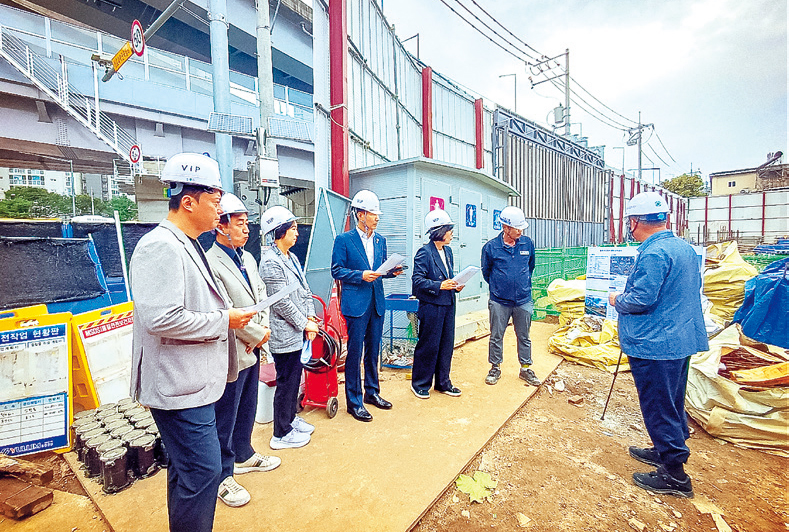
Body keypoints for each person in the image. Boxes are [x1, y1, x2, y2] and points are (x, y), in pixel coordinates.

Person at [130, 153, 256, 532]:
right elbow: (160, 318)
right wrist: (225, 321)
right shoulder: (161, 246)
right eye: (215, 201)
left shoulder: (187, 243)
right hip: (177, 384)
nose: (220, 210)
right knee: (204, 470)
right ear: (189, 201)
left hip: (193, 381)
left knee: (188, 470)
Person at [609, 191, 708, 499]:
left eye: (630, 221)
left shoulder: (653, 254)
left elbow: (641, 299)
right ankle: (664, 450)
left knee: (658, 406)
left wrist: (617, 300)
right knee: (672, 402)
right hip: (678, 340)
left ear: (635, 222)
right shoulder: (683, 248)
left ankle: (675, 475)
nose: (629, 226)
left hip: (656, 345)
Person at [206, 193, 281, 508]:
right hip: (232, 352)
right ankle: (223, 477)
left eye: (247, 223)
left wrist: (261, 332)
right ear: (221, 226)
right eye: (239, 223)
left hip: (253, 347)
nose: (246, 229)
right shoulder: (211, 262)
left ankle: (245, 454)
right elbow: (225, 308)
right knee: (226, 414)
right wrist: (256, 334)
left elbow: (259, 296)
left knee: (247, 408)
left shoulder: (248, 259)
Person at [331, 190, 403, 422]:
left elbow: (379, 271)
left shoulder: (380, 240)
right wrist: (361, 275)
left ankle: (372, 393)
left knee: (373, 350)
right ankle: (354, 401)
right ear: (361, 214)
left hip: (376, 302)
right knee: (355, 353)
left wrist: (391, 272)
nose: (377, 218)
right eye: (373, 214)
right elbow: (336, 270)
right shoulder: (344, 240)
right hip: (356, 304)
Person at [259, 206, 320, 449]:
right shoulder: (270, 262)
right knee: (286, 381)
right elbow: (281, 302)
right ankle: (280, 433)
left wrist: (311, 318)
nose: (297, 233)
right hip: (284, 334)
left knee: (295, 379)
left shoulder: (291, 257)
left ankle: (290, 419)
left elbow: (304, 291)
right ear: (279, 231)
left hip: (298, 332)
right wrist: (304, 323)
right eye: (292, 228)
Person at [481, 205, 540, 387]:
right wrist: (501, 287)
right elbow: (487, 272)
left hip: (523, 300)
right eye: (517, 228)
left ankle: (525, 368)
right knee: (496, 335)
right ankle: (495, 367)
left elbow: (531, 266)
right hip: (499, 301)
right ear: (506, 228)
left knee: (524, 336)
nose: (520, 231)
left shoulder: (527, 243)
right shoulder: (491, 247)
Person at [410, 209, 464, 399]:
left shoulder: (448, 251)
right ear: (438, 231)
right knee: (429, 345)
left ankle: (443, 382)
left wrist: (455, 285)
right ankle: (420, 383)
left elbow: (448, 276)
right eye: (449, 230)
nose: (451, 234)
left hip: (448, 303)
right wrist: (439, 285)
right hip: (431, 306)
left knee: (446, 344)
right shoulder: (424, 253)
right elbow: (417, 281)